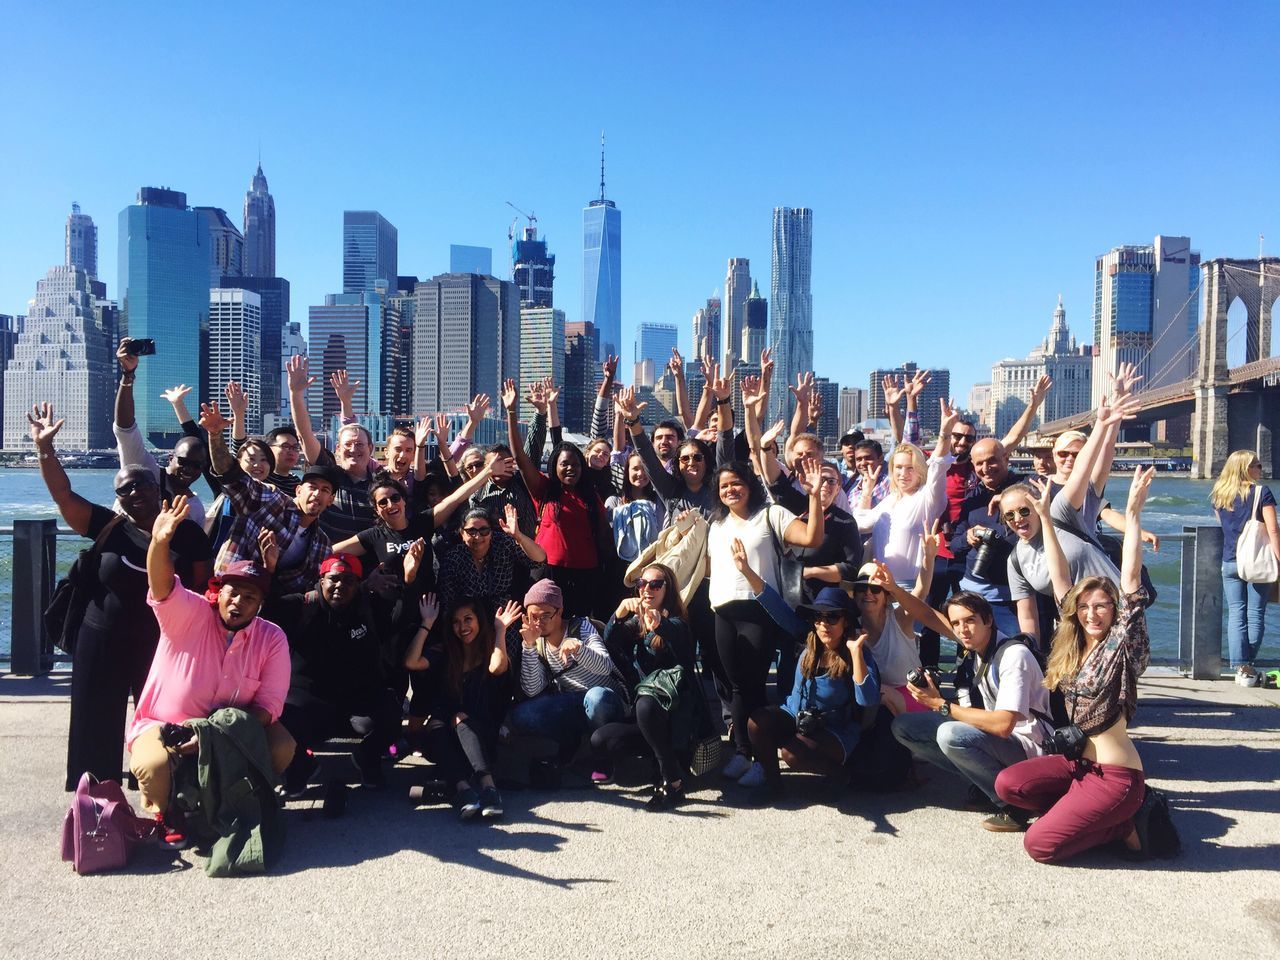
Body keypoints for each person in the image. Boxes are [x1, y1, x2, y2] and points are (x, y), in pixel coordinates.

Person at [28, 403, 213, 791]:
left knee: (164, 722)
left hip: (161, 644)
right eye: (123, 489)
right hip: (101, 637)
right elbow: (63, 495)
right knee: (94, 722)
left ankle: (164, 795)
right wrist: (46, 449)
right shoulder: (108, 527)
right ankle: (96, 799)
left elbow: (199, 592)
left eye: (139, 485)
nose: (132, 493)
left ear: (156, 486)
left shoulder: (189, 535)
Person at [995, 468, 1161, 863]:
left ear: (1115, 609)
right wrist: (1046, 521)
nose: (1091, 613)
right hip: (1078, 763)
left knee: (1040, 845)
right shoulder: (1073, 644)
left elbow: (1132, 578)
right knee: (1009, 785)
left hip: (1116, 776)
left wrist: (1133, 516)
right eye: (1084, 607)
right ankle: (1083, 810)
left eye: (1102, 605)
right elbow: (1059, 575)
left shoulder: (1122, 646)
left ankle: (1126, 824)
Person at [127, 497, 294, 847]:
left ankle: (247, 795)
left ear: (260, 605)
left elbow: (269, 706)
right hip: (165, 725)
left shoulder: (272, 637)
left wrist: (214, 735)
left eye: (250, 598)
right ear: (218, 594)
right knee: (153, 765)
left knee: (282, 745)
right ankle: (166, 811)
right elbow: (161, 586)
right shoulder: (188, 615)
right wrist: (159, 543)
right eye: (232, 593)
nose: (238, 603)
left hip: (229, 729)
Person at [891, 589, 1053, 832]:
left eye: (969, 620)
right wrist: (892, 589)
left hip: (1030, 748)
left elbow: (1003, 724)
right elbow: (927, 615)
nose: (962, 629)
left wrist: (940, 705)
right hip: (1000, 740)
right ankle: (986, 783)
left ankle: (1014, 804)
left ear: (988, 620)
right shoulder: (975, 644)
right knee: (905, 727)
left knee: (951, 735)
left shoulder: (1013, 655)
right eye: (956, 623)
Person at [707, 459, 824, 780]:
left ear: (749, 485)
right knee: (735, 688)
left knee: (752, 686)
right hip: (722, 612)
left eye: (736, 483)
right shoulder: (715, 524)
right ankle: (746, 751)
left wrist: (813, 497)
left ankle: (757, 757)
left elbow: (812, 538)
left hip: (759, 610)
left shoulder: (771, 514)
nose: (730, 489)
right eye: (724, 486)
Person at [1003, 394, 1140, 642]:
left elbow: (1090, 469)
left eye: (1025, 511)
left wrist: (1104, 424)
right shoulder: (1018, 557)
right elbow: (1030, 612)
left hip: (1113, 610)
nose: (1018, 518)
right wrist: (1030, 648)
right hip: (1075, 620)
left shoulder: (1061, 511)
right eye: (1009, 515)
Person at [269, 552, 402, 794]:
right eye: (334, 579)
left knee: (391, 710)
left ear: (358, 585)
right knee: (280, 716)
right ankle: (301, 766)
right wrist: (269, 570)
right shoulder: (301, 606)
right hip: (309, 701)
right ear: (321, 581)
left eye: (349, 581)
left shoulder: (368, 608)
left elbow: (400, 617)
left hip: (356, 702)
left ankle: (366, 757)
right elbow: (264, 607)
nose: (340, 586)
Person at [742, 586, 880, 802]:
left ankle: (841, 774)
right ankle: (773, 785)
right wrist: (747, 570)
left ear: (846, 622)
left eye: (832, 617)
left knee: (792, 754)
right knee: (756, 722)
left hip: (835, 730)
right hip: (797, 716)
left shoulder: (856, 653)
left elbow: (868, 699)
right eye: (818, 617)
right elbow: (778, 609)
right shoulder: (810, 643)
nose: (824, 624)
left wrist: (856, 654)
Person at [201, 401, 340, 597]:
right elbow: (231, 476)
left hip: (270, 605)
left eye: (325, 490)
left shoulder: (321, 545)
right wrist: (215, 436)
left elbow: (306, 588)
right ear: (298, 490)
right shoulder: (270, 500)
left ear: (331, 500)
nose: (317, 494)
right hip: (228, 594)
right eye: (312, 487)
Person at [591, 564, 702, 808]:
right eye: (642, 583)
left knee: (646, 703)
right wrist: (618, 615)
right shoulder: (637, 622)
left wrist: (660, 624)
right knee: (601, 740)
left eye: (655, 584)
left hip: (677, 721)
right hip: (648, 719)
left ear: (668, 589)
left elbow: (679, 637)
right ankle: (657, 761)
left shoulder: (677, 622)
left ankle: (673, 782)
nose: (647, 589)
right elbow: (610, 642)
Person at [503, 378, 611, 618]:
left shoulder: (591, 497)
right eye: (564, 464)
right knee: (543, 630)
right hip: (547, 572)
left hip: (586, 575)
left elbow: (603, 536)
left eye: (576, 464)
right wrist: (512, 411)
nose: (571, 468)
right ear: (555, 466)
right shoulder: (544, 489)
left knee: (577, 635)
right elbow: (521, 459)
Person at [406, 595, 521, 819]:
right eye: (456, 622)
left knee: (459, 717)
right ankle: (464, 792)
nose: (462, 626)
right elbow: (411, 661)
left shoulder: (491, 652)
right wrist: (426, 624)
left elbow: (498, 668)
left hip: (482, 739)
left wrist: (500, 630)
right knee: (438, 722)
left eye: (468, 619)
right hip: (445, 741)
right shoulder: (447, 652)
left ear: (480, 621)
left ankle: (490, 789)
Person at [508, 579, 629, 779]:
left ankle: (603, 754)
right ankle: (570, 740)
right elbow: (532, 689)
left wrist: (579, 649)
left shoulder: (581, 626)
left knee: (595, 697)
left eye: (546, 615)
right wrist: (528, 647)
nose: (539, 622)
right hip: (573, 702)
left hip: (606, 699)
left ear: (560, 610)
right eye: (533, 616)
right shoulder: (537, 642)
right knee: (523, 715)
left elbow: (605, 666)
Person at [852, 398, 958, 588]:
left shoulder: (926, 499)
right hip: (878, 587)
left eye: (910, 468)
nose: (903, 474)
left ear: (920, 470)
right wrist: (867, 494)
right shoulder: (890, 500)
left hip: (909, 588)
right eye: (898, 467)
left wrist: (945, 433)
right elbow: (860, 523)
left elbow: (938, 466)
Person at [112, 338, 210, 527]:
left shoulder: (194, 507)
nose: (189, 469)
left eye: (197, 465)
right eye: (183, 461)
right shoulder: (144, 471)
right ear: (170, 457)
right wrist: (128, 375)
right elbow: (125, 428)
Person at [286, 357, 380, 541]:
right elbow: (305, 434)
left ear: (371, 448)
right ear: (337, 448)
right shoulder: (329, 474)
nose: (353, 449)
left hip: (370, 564)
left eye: (360, 445)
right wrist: (295, 394)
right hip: (327, 560)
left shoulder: (380, 482)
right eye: (347, 445)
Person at [1211, 450, 1280, 686]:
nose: (1261, 469)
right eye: (1257, 465)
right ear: (1245, 469)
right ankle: (1247, 667)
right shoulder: (1262, 493)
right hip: (1258, 560)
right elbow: (1273, 530)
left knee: (1236, 613)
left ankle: (1242, 668)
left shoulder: (1220, 495)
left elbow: (1225, 527)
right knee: (1255, 613)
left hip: (1230, 561)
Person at [949, 438, 1025, 637]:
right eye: (979, 463)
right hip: (972, 594)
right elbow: (955, 546)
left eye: (992, 461)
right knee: (971, 657)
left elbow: (1053, 492)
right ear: (973, 466)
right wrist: (968, 537)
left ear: (1006, 459)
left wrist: (1012, 497)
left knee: (1016, 650)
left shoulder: (1026, 486)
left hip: (1012, 595)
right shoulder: (972, 499)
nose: (986, 468)